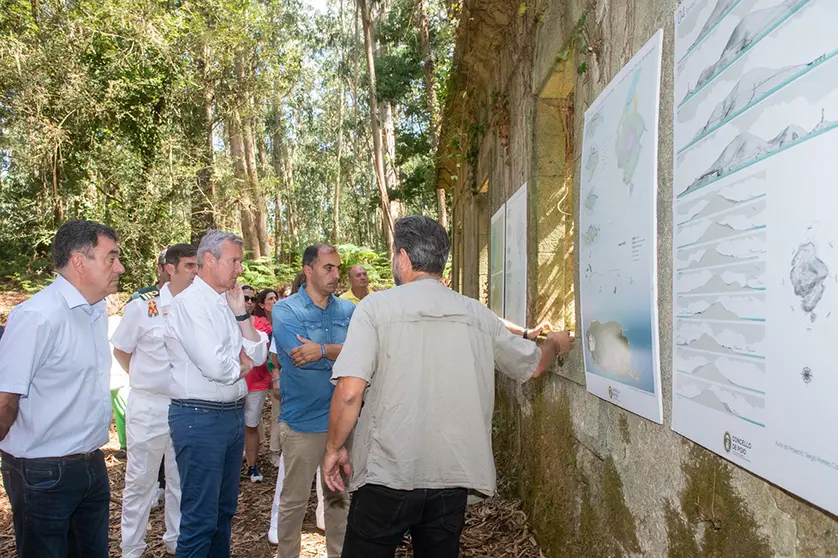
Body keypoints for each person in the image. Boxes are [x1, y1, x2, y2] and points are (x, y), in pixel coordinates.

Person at [323, 216, 573, 558]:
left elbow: (350, 391)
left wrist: (333, 448)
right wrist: (556, 344)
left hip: (387, 473)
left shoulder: (375, 309)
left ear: (404, 258)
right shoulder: (476, 314)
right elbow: (532, 365)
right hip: (451, 476)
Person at [0, 219, 125, 557]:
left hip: (90, 464)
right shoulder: (37, 316)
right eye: (111, 258)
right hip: (42, 471)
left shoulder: (96, 310)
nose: (121, 267)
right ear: (79, 262)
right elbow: (5, 399)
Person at [164, 229, 268, 557]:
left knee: (223, 513)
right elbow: (217, 367)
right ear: (209, 260)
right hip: (199, 418)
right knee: (200, 519)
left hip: (229, 417)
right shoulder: (189, 305)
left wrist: (241, 317)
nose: (240, 268)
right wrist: (240, 362)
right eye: (234, 260)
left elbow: (259, 355)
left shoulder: (228, 302)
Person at [113, 243, 198, 557]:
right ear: (170, 269)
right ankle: (132, 548)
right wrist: (144, 380)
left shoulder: (198, 307)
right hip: (148, 406)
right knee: (140, 482)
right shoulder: (142, 307)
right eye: (189, 266)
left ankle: (176, 541)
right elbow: (122, 349)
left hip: (185, 406)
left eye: (197, 266)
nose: (195, 272)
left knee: (179, 479)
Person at [272, 244, 354, 558]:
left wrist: (320, 350)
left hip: (343, 423)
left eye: (337, 268)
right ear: (309, 270)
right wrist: (338, 351)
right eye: (328, 268)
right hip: (302, 422)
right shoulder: (286, 310)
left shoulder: (348, 311)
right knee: (293, 501)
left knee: (338, 499)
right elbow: (297, 354)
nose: (336, 275)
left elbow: (362, 355)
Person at [243, 288, 278, 483]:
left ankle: (252, 465)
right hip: (231, 383)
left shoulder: (262, 324)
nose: (248, 301)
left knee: (251, 424)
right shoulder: (223, 321)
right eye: (244, 298)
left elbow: (265, 353)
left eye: (252, 299)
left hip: (256, 382)